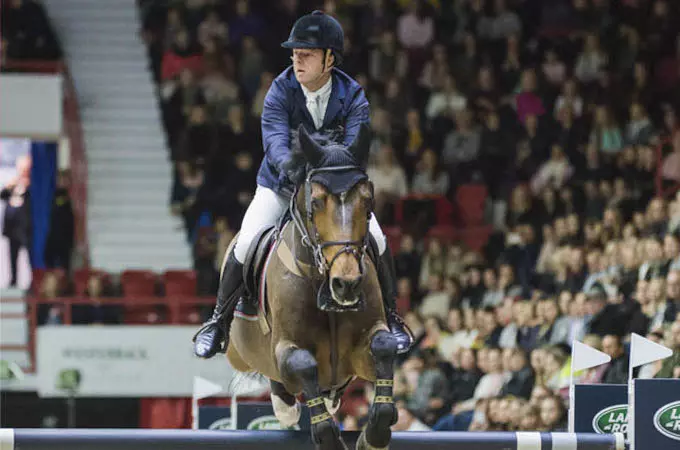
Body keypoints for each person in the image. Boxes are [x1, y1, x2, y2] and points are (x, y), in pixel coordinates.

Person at [193, 11, 413, 358]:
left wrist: (328, 178)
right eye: (294, 53)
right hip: (282, 185)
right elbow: (275, 142)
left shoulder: (353, 95)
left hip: (336, 193)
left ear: (329, 58)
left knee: (379, 239)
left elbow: (357, 147)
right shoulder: (280, 91)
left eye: (306, 53)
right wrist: (294, 166)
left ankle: (392, 317)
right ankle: (218, 322)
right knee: (247, 240)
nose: (297, 59)